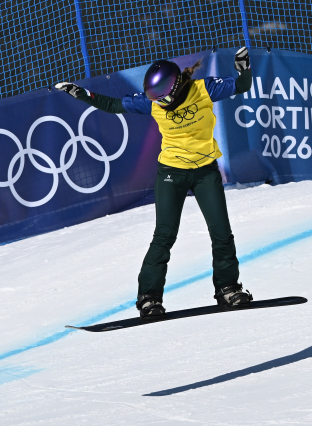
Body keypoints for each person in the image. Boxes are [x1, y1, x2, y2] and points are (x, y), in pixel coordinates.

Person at [55, 47, 253, 320]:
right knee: (164, 235)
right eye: (154, 98)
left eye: (162, 97)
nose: (159, 103)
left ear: (175, 87)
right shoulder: (152, 103)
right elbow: (113, 106)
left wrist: (244, 69)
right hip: (172, 173)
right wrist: (82, 94)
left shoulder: (203, 90)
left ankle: (228, 288)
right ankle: (149, 298)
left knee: (221, 233)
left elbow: (242, 85)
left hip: (205, 171)